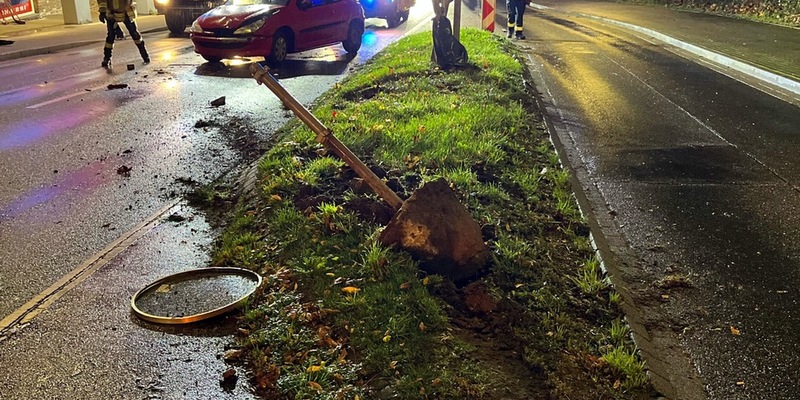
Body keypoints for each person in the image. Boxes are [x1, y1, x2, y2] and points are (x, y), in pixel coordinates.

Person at [98, 0, 149, 68]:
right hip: (111, 13)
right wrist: (102, 12)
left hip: (126, 12)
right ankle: (107, 58)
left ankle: (144, 55)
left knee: (134, 34)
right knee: (111, 36)